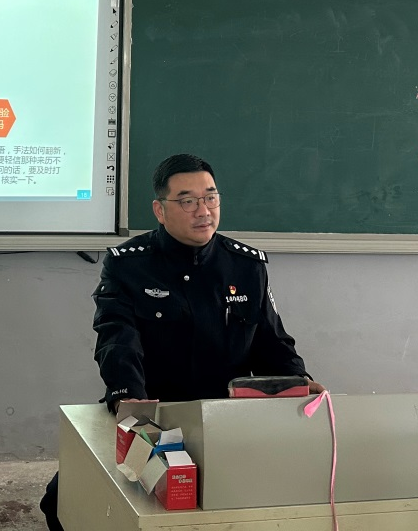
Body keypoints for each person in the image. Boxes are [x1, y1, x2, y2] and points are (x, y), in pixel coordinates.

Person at [39, 153, 322, 530]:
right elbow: (116, 339)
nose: (203, 211)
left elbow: (273, 344)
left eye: (211, 197)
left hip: (227, 416)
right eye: (187, 201)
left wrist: (299, 384)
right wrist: (130, 401)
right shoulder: (129, 264)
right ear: (160, 210)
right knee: (64, 496)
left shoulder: (245, 266)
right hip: (155, 410)